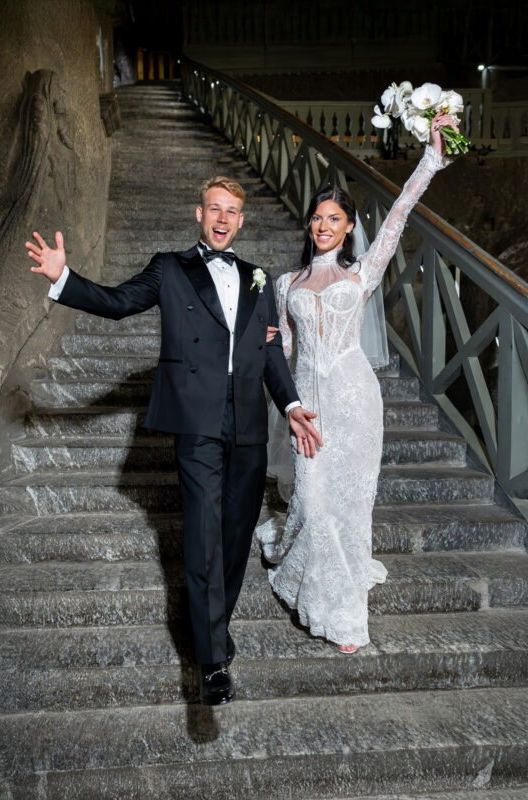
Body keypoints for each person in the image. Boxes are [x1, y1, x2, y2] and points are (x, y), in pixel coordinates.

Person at [25, 176, 322, 705]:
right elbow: (118, 302)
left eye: (232, 211)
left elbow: (270, 353)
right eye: (214, 208)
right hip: (197, 418)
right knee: (205, 530)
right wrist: (63, 277)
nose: (223, 218)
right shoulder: (170, 268)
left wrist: (292, 405)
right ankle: (212, 661)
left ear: (241, 220)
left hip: (249, 420)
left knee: (236, 534)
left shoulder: (257, 278)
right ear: (199, 214)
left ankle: (214, 623)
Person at [257, 115, 455, 654]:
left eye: (334, 219)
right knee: (313, 505)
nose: (323, 226)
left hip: (356, 400)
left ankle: (343, 616)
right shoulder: (286, 284)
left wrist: (430, 158)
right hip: (309, 405)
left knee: (349, 507)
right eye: (317, 217)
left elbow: (399, 213)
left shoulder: (361, 273)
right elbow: (285, 353)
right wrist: (264, 348)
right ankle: (321, 589)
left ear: (348, 228)